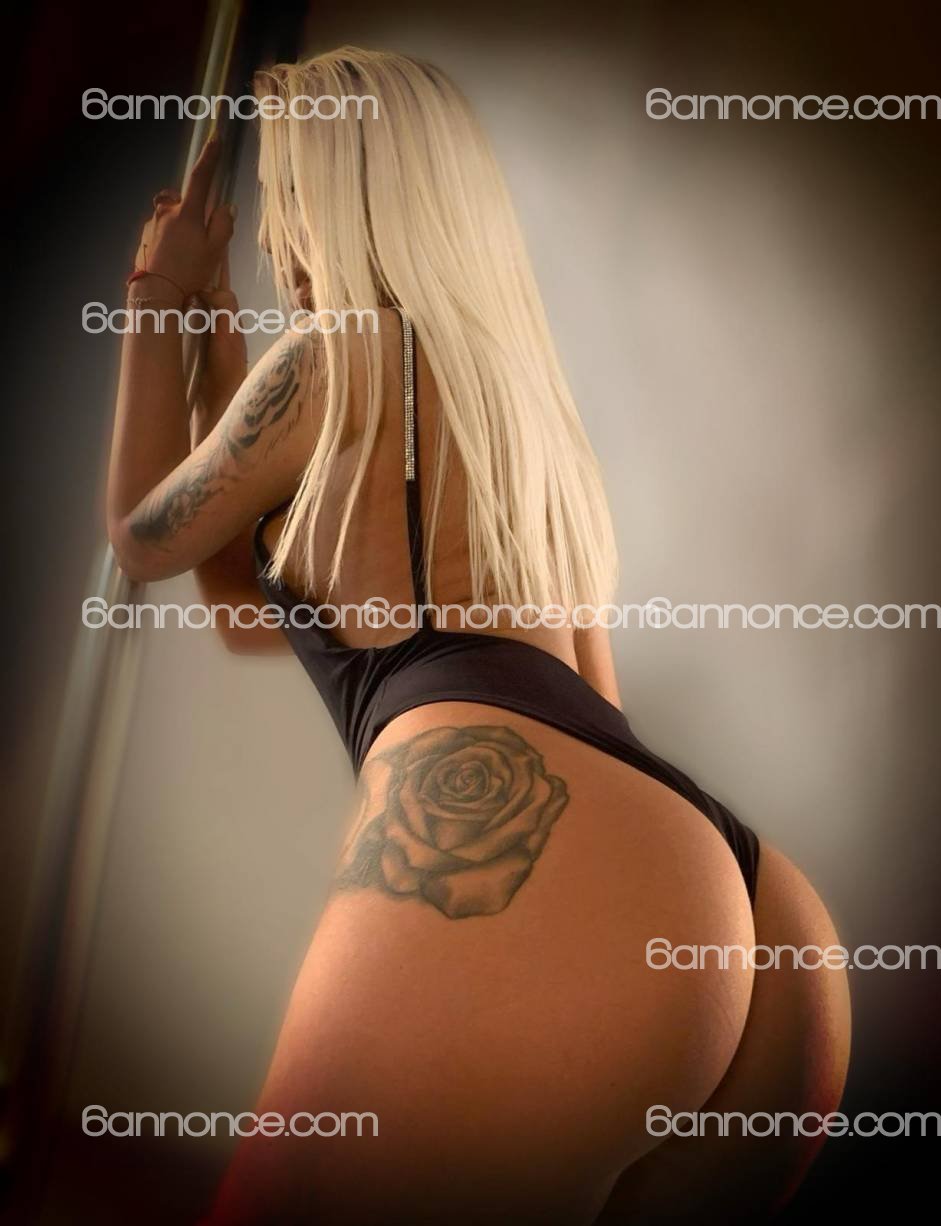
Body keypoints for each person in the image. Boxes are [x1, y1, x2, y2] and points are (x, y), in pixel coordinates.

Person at [107, 46, 850, 1226]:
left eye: (290, 194)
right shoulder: (521, 405)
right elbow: (249, 606)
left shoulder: (336, 355)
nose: (276, 235)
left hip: (532, 855)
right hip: (741, 909)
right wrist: (216, 334)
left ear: (344, 197)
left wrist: (156, 300)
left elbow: (144, 535)